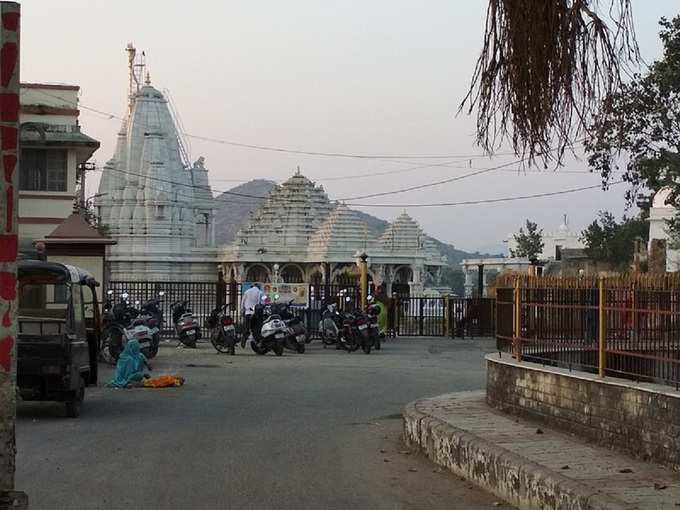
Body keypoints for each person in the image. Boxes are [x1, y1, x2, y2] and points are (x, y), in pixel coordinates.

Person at [241, 283, 263, 348]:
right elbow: (262, 302)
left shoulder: (247, 292)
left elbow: (243, 302)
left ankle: (244, 339)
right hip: (256, 313)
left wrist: (242, 310)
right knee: (256, 328)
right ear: (258, 286)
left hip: (248, 312)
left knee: (246, 328)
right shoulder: (260, 292)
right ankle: (257, 341)